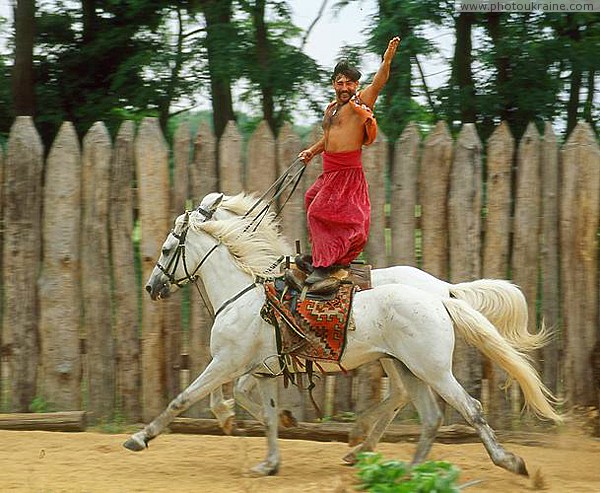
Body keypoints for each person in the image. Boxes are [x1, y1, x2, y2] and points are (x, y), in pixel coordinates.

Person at [297, 36, 401, 289]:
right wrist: (312, 151)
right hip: (329, 171)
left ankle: (327, 268)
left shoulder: (360, 104)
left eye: (349, 83)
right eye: (340, 82)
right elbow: (329, 137)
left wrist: (387, 59)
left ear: (356, 85)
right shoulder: (331, 108)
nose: (344, 87)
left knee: (319, 212)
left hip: (347, 173)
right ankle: (324, 259)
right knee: (311, 200)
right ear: (334, 84)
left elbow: (379, 82)